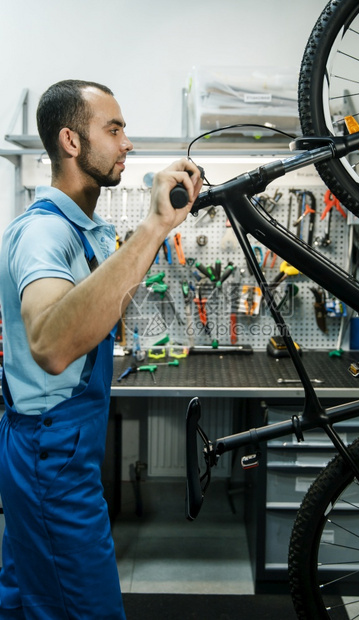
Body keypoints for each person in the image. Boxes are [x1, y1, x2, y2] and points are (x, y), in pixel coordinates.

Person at [0, 79, 203, 619]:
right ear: (71, 141)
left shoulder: (86, 230)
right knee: (88, 609)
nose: (127, 143)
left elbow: (104, 307)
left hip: (60, 445)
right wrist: (156, 225)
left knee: (25, 600)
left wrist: (151, 234)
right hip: (51, 456)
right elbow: (49, 343)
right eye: (113, 130)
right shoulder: (43, 233)